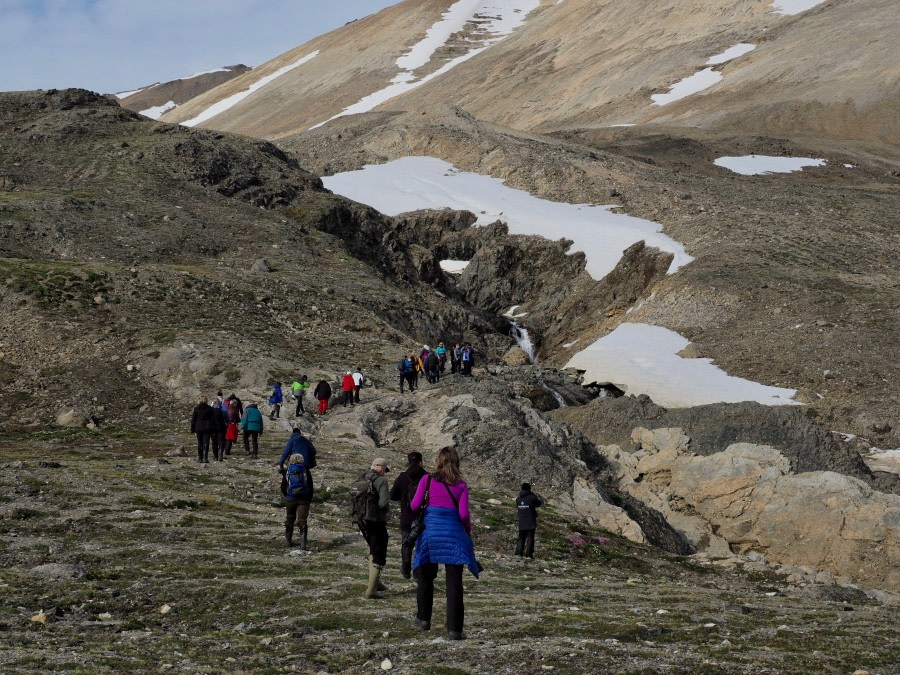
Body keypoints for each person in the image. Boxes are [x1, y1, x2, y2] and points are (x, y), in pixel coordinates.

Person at [410, 446, 480, 640]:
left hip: (431, 534)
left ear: (439, 461)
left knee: (425, 576)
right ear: (456, 461)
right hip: (454, 535)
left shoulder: (428, 479)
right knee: (454, 583)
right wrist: (468, 531)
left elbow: (415, 506)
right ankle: (454, 629)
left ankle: (424, 619)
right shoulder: (461, 485)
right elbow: (464, 514)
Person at [390, 452, 428, 579]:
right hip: (423, 516)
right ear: (421, 462)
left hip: (406, 515)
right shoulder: (427, 477)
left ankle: (406, 569)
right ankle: (418, 571)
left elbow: (392, 496)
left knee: (406, 542)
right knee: (421, 544)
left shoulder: (403, 477)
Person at [361, 457, 391, 599]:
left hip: (362, 520)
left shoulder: (363, 477)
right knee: (379, 549)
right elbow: (384, 502)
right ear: (382, 468)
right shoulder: (381, 480)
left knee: (373, 547)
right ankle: (371, 590)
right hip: (375, 520)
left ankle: (376, 582)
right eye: (385, 470)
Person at [280, 452, 313, 550]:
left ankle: (288, 541)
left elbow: (283, 486)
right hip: (303, 499)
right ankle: (303, 545)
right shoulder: (305, 470)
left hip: (290, 499)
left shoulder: (288, 470)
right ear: (302, 460)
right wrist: (309, 498)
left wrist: (286, 496)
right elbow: (310, 485)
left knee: (290, 518)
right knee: (302, 521)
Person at [515, 483, 542, 559]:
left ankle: (518, 553)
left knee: (521, 537)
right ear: (529, 489)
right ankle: (529, 555)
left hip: (521, 520)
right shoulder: (531, 497)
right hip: (530, 520)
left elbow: (517, 506)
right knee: (530, 538)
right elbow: (538, 503)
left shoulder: (518, 498)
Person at [190, 395, 217, 463]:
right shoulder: (210, 408)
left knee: (200, 443)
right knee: (206, 443)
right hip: (207, 427)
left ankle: (200, 458)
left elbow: (193, 420)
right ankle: (205, 458)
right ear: (206, 400)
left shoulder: (196, 408)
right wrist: (214, 428)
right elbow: (213, 420)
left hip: (198, 427)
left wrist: (192, 429)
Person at [211, 396, 229, 461]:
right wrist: (228, 423)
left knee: (214, 442)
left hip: (213, 427)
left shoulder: (211, 409)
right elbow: (227, 418)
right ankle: (220, 453)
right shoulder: (223, 408)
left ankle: (215, 456)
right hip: (222, 426)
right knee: (221, 441)